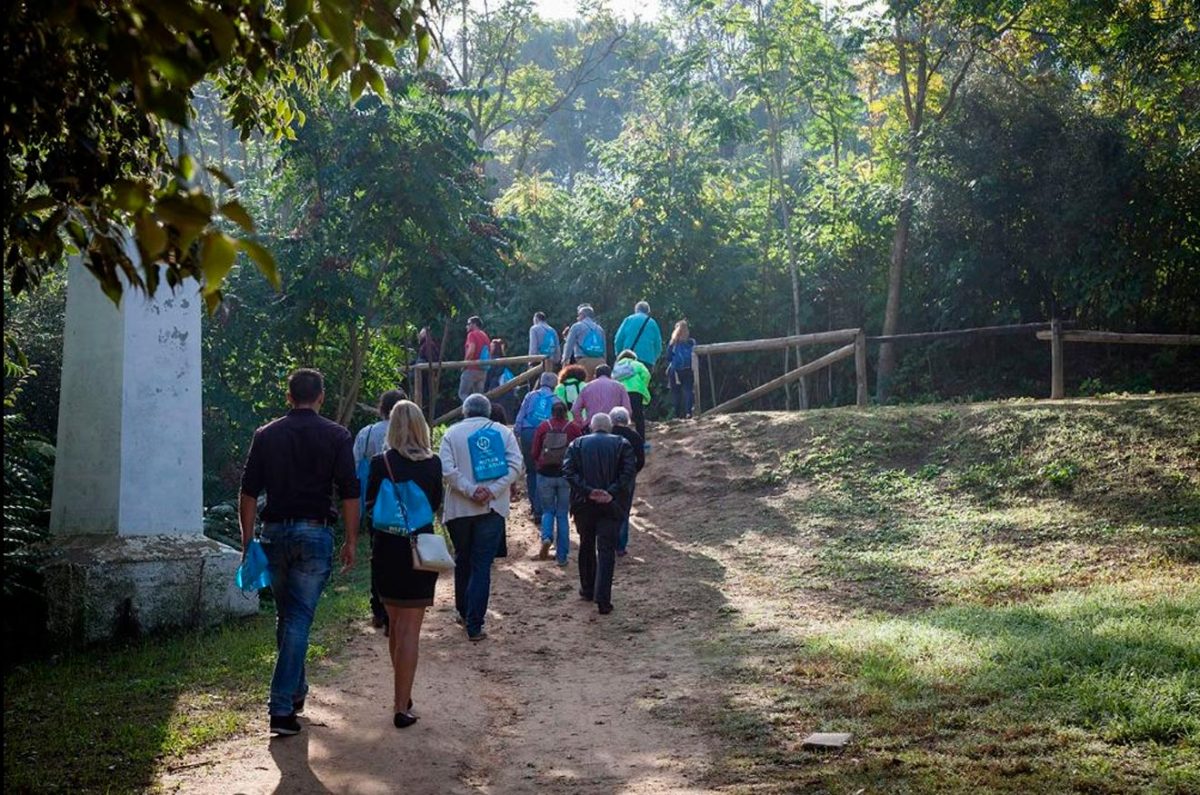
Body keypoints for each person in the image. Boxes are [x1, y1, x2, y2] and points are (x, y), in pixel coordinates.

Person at [239, 368, 359, 737]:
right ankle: (279, 707)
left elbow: (247, 492)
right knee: (298, 619)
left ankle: (296, 693)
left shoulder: (266, 435)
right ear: (321, 396)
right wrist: (351, 540)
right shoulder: (337, 435)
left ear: (288, 397)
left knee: (288, 617)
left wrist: (247, 543)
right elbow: (350, 491)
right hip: (314, 534)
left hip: (273, 534)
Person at [363, 400, 443, 729]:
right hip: (419, 551)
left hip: (387, 552)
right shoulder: (433, 464)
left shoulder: (380, 463)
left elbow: (370, 505)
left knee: (395, 626)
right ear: (421, 426)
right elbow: (435, 503)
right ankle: (401, 705)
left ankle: (401, 693)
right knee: (411, 630)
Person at [439, 394, 523, 641]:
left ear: (464, 412)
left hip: (459, 511)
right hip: (492, 509)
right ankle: (475, 625)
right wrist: (493, 490)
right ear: (487, 412)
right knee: (481, 565)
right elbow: (516, 466)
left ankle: (463, 613)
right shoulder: (502, 432)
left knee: (463, 559)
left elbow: (446, 469)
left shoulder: (451, 434)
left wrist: (469, 489)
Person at [562, 413, 637, 615]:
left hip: (583, 504)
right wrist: (610, 492)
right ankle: (603, 599)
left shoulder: (577, 444)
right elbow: (629, 472)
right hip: (611, 505)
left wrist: (588, 491)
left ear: (592, 427)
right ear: (609, 427)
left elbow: (568, 472)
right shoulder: (622, 443)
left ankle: (587, 589)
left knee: (586, 544)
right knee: (606, 551)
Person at [354, 388, 406, 632]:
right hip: (408, 504)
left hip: (376, 502)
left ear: (381, 408)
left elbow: (355, 463)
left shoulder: (368, 433)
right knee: (406, 555)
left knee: (378, 555)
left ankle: (379, 609)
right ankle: (400, 606)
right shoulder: (411, 432)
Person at [531, 400, 582, 565]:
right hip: (566, 476)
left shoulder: (543, 427)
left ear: (551, 412)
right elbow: (580, 449)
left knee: (547, 511)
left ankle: (546, 537)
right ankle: (562, 557)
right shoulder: (573, 428)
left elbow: (534, 452)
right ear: (566, 411)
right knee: (562, 514)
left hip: (545, 474)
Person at [513, 372, 560, 519]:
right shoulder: (557, 400)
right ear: (555, 385)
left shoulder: (530, 396)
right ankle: (543, 507)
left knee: (531, 471)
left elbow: (521, 415)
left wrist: (517, 432)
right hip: (546, 435)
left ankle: (534, 507)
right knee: (543, 470)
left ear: (540, 382)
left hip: (527, 433)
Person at [608, 407, 645, 557]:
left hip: (608, 476)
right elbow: (641, 460)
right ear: (627, 419)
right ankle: (621, 546)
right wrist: (633, 472)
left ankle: (608, 542)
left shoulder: (608, 435)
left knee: (607, 509)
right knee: (624, 510)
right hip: (627, 478)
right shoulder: (635, 436)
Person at [612, 349, 651, 441]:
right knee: (639, 416)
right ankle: (641, 439)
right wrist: (642, 385)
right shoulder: (636, 364)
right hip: (636, 391)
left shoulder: (616, 367)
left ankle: (624, 438)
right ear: (633, 357)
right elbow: (646, 374)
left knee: (623, 416)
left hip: (621, 392)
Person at [613, 301, 663, 370]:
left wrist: (619, 355)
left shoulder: (628, 320)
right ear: (648, 312)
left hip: (629, 358)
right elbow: (658, 344)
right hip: (647, 359)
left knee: (627, 380)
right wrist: (654, 359)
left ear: (636, 310)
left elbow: (618, 339)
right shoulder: (653, 323)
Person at [563, 304, 607, 378]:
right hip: (600, 361)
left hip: (584, 361)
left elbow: (569, 345)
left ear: (582, 315)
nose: (577, 318)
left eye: (578, 315)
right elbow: (604, 349)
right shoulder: (600, 329)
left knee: (585, 387)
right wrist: (604, 362)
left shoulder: (576, 326)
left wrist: (565, 360)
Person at [666, 320, 697, 419]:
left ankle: (677, 414)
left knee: (676, 393)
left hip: (675, 371)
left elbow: (668, 357)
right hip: (688, 369)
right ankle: (688, 412)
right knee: (688, 390)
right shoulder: (692, 342)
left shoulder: (673, 343)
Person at [458, 316, 491, 401]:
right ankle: (480, 412)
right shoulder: (485, 336)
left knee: (463, 394)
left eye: (468, 324)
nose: (467, 326)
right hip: (483, 370)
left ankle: (469, 412)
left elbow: (471, 350)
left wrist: (465, 364)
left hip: (471, 368)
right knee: (479, 397)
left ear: (474, 324)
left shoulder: (472, 334)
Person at [416, 327, 441, 413]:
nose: (419, 335)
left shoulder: (428, 344)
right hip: (425, 375)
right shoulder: (425, 344)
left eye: (421, 333)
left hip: (426, 375)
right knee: (425, 396)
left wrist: (433, 373)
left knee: (426, 396)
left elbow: (432, 359)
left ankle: (428, 415)